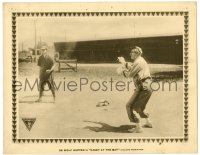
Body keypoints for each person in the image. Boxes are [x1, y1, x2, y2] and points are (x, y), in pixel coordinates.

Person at [118, 46, 153, 133]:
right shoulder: (140, 60)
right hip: (148, 86)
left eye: (132, 52)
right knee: (140, 107)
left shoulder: (138, 62)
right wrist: (124, 63)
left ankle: (138, 127)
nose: (130, 53)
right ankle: (148, 122)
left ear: (137, 53)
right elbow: (131, 67)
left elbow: (129, 74)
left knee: (130, 106)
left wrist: (122, 68)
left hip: (143, 86)